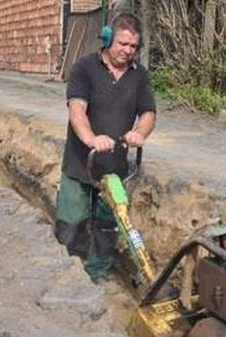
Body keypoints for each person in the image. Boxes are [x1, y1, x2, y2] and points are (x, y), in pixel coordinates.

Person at [54, 12, 156, 283]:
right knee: (71, 222)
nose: (127, 51)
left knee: (107, 227)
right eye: (122, 44)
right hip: (80, 161)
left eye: (133, 46)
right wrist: (91, 138)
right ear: (109, 39)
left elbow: (148, 113)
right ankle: (64, 274)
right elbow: (77, 109)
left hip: (114, 170)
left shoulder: (140, 76)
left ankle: (96, 273)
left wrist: (139, 133)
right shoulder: (84, 68)